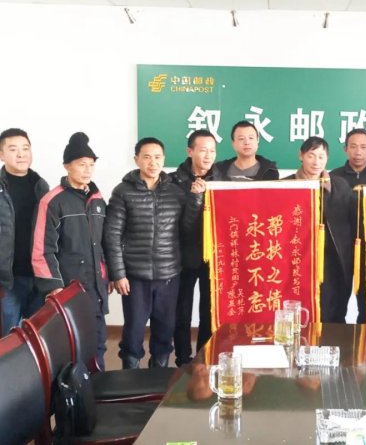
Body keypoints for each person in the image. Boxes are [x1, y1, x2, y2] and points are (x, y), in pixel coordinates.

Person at [103, 137, 204, 369]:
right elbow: (112, 235)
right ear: (136, 159)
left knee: (164, 331)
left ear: (164, 159)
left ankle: (158, 376)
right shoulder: (123, 192)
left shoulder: (175, 191)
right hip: (135, 277)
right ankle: (129, 377)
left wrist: (195, 199)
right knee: (134, 331)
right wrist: (118, 274)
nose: (153, 162)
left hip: (169, 275)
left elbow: (187, 228)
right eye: (147, 157)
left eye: (157, 157)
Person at [31, 132, 109, 368]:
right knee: (70, 346)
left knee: (98, 342)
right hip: (68, 287)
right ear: (67, 166)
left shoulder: (97, 199)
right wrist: (54, 287)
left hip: (95, 286)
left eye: (91, 164)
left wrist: (107, 275)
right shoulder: (52, 201)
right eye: (82, 164)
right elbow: (41, 249)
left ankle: (98, 385)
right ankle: (72, 390)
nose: (87, 170)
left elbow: (103, 243)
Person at [285, 136, 354, 323]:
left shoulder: (340, 185)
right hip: (297, 259)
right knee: (298, 311)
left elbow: (353, 218)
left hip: (332, 260)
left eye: (321, 157)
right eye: (311, 156)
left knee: (332, 311)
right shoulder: (286, 185)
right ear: (301, 156)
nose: (316, 162)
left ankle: (330, 342)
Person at [171, 129, 223, 366]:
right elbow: (182, 225)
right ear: (190, 151)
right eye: (203, 150)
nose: (208, 155)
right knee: (182, 311)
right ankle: (183, 359)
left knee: (209, 311)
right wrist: (195, 197)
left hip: (213, 256)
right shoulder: (174, 181)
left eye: (212, 150)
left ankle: (204, 358)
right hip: (183, 255)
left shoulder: (221, 179)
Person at [330, 128, 366, 323]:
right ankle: (334, 341)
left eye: (363, 147)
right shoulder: (333, 177)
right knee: (336, 303)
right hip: (339, 249)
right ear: (345, 149)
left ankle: (364, 341)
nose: (358, 152)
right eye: (353, 146)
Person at [0, 128, 48, 336]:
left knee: (37, 337)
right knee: (9, 338)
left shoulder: (41, 186)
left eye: (25, 148)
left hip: (38, 276)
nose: (21, 154)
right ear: (1, 155)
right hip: (8, 279)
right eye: (13, 149)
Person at [214, 120, 279, 181]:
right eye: (241, 139)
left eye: (251, 138)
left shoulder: (270, 171)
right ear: (233, 143)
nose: (247, 142)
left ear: (257, 141)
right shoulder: (218, 170)